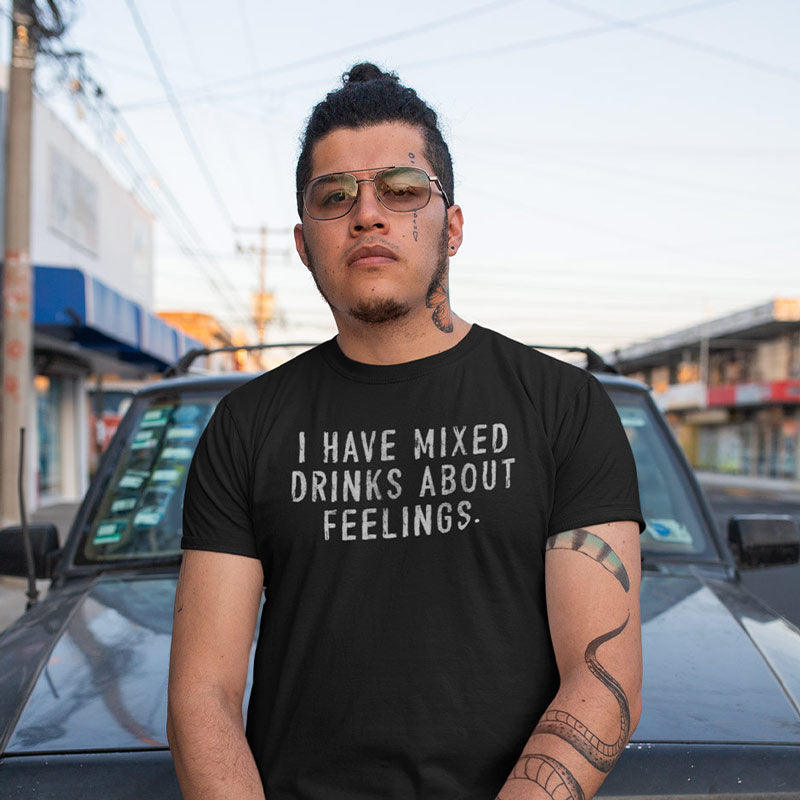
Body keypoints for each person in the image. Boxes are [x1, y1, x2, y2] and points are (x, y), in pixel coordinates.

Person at [167, 62, 644, 800]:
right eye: (335, 196)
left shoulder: (563, 406)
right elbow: (204, 694)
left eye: (402, 189)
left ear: (451, 226)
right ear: (303, 243)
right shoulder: (247, 427)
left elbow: (602, 677)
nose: (367, 214)